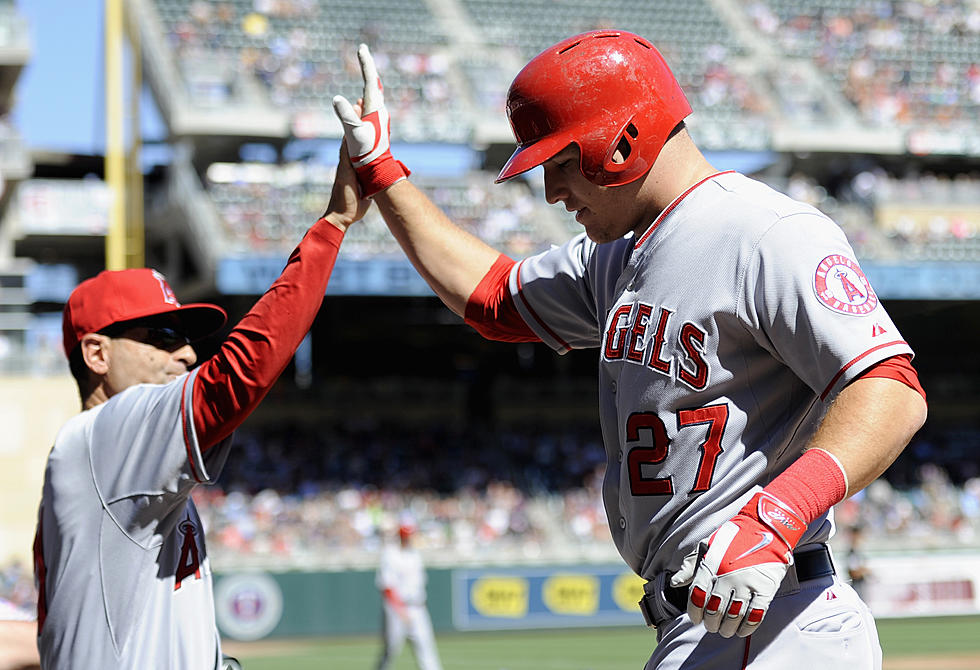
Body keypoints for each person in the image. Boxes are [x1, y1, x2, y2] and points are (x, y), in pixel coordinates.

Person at [332, 31, 928, 669]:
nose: (551, 192)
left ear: (621, 142)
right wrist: (382, 174)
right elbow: (494, 299)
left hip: (772, 614)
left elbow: (889, 389)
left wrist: (775, 518)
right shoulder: (618, 255)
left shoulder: (766, 232)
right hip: (707, 619)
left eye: (561, 163)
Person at [31, 144, 368, 669]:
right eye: (162, 335)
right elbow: (237, 375)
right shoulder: (102, 437)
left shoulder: (121, 466)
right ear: (97, 353)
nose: (186, 351)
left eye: (184, 337)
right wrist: (334, 224)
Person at [374, 523, 443, 670]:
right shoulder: (390, 554)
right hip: (397, 608)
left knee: (426, 648)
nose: (410, 538)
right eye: (408, 536)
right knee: (391, 649)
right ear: (401, 536)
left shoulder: (415, 555)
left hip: (418, 606)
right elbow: (387, 585)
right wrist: (400, 610)